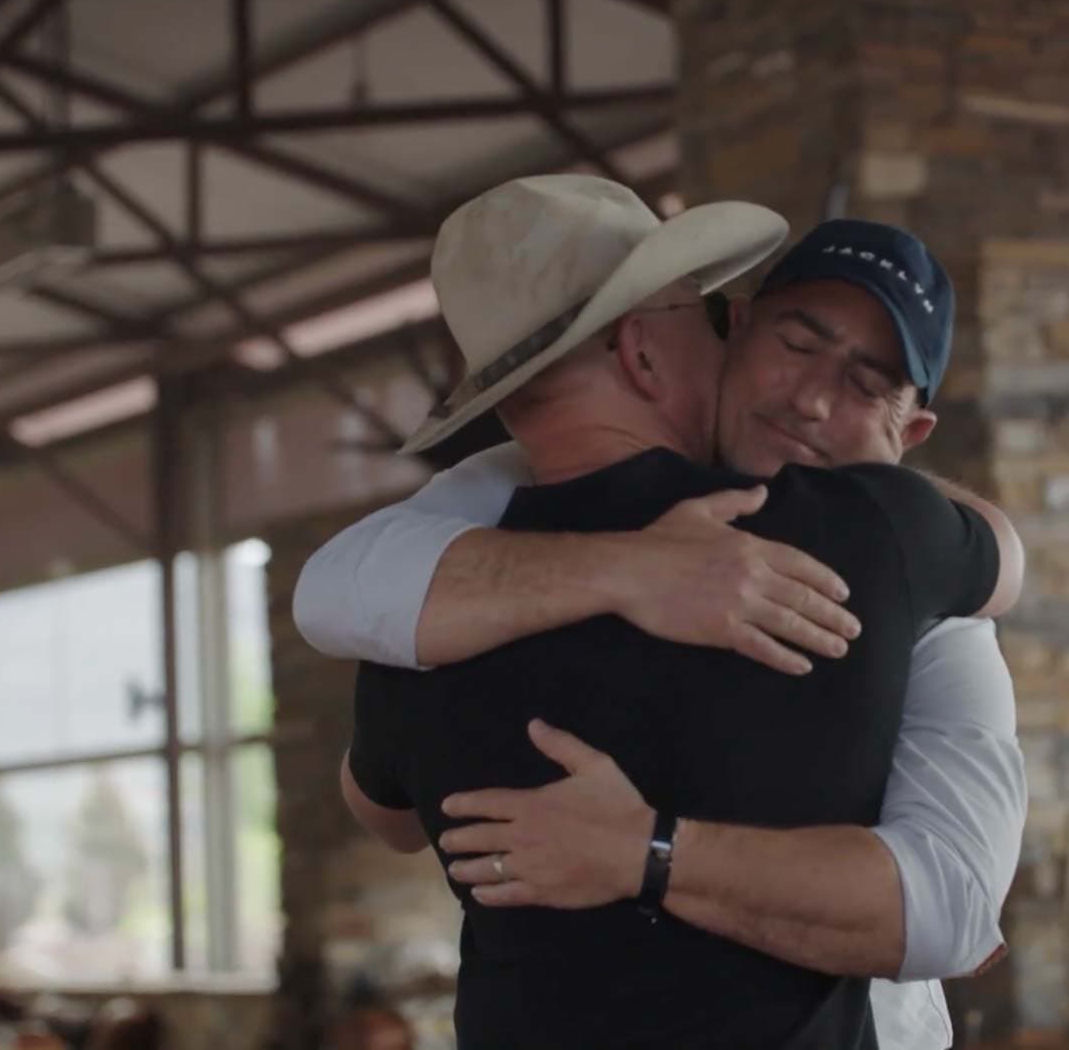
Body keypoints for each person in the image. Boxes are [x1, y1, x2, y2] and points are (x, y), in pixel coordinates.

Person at [327, 175, 1023, 1049]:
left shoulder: (417, 618)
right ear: (642, 353)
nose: (808, 399)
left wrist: (637, 848)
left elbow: (383, 812)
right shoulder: (868, 541)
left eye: (863, 383)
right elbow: (1001, 558)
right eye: (710, 315)